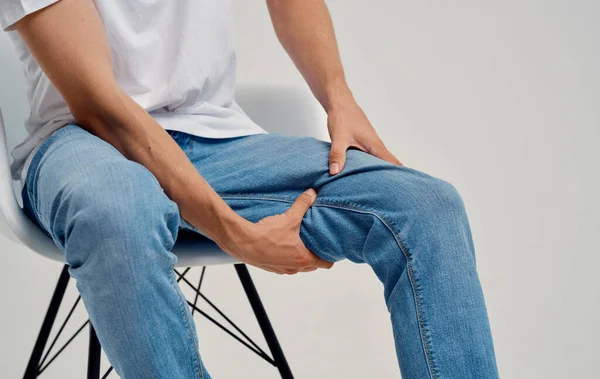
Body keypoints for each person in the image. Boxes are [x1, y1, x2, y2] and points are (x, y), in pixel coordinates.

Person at [1, 0, 500, 378]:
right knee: (118, 210)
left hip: (216, 139)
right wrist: (235, 232)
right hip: (83, 140)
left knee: (425, 207)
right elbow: (101, 107)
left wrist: (338, 95)